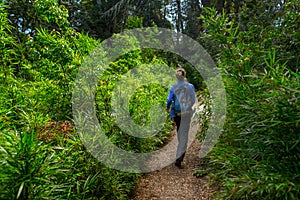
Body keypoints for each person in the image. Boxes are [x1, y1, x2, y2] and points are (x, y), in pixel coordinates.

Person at [166, 67, 196, 168]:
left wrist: (167, 108)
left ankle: (179, 153)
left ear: (176, 77)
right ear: (184, 76)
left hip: (177, 114)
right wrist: (187, 108)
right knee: (184, 135)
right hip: (186, 114)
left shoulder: (173, 87)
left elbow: (169, 100)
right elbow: (193, 100)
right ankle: (179, 157)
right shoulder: (190, 86)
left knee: (179, 132)